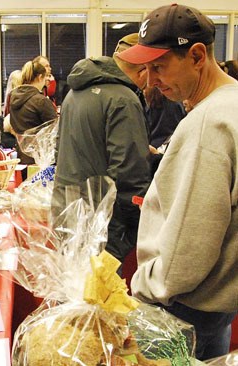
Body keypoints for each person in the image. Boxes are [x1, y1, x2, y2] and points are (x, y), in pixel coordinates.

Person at [117, 4, 238, 360]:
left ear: (197, 56)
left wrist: (144, 287)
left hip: (183, 310)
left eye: (159, 66)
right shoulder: (230, 103)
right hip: (215, 305)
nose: (151, 80)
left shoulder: (207, 123)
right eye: (146, 68)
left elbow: (191, 240)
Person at [51, 33, 151, 266]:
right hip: (103, 218)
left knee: (75, 286)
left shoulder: (74, 92)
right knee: (100, 293)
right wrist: (137, 221)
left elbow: (60, 149)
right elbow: (129, 171)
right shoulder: (124, 99)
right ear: (144, 69)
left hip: (68, 207)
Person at [9, 60, 58, 164]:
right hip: (40, 159)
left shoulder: (13, 97)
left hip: (20, 156)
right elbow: (55, 132)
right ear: (40, 77)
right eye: (45, 78)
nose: (46, 81)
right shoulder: (41, 101)